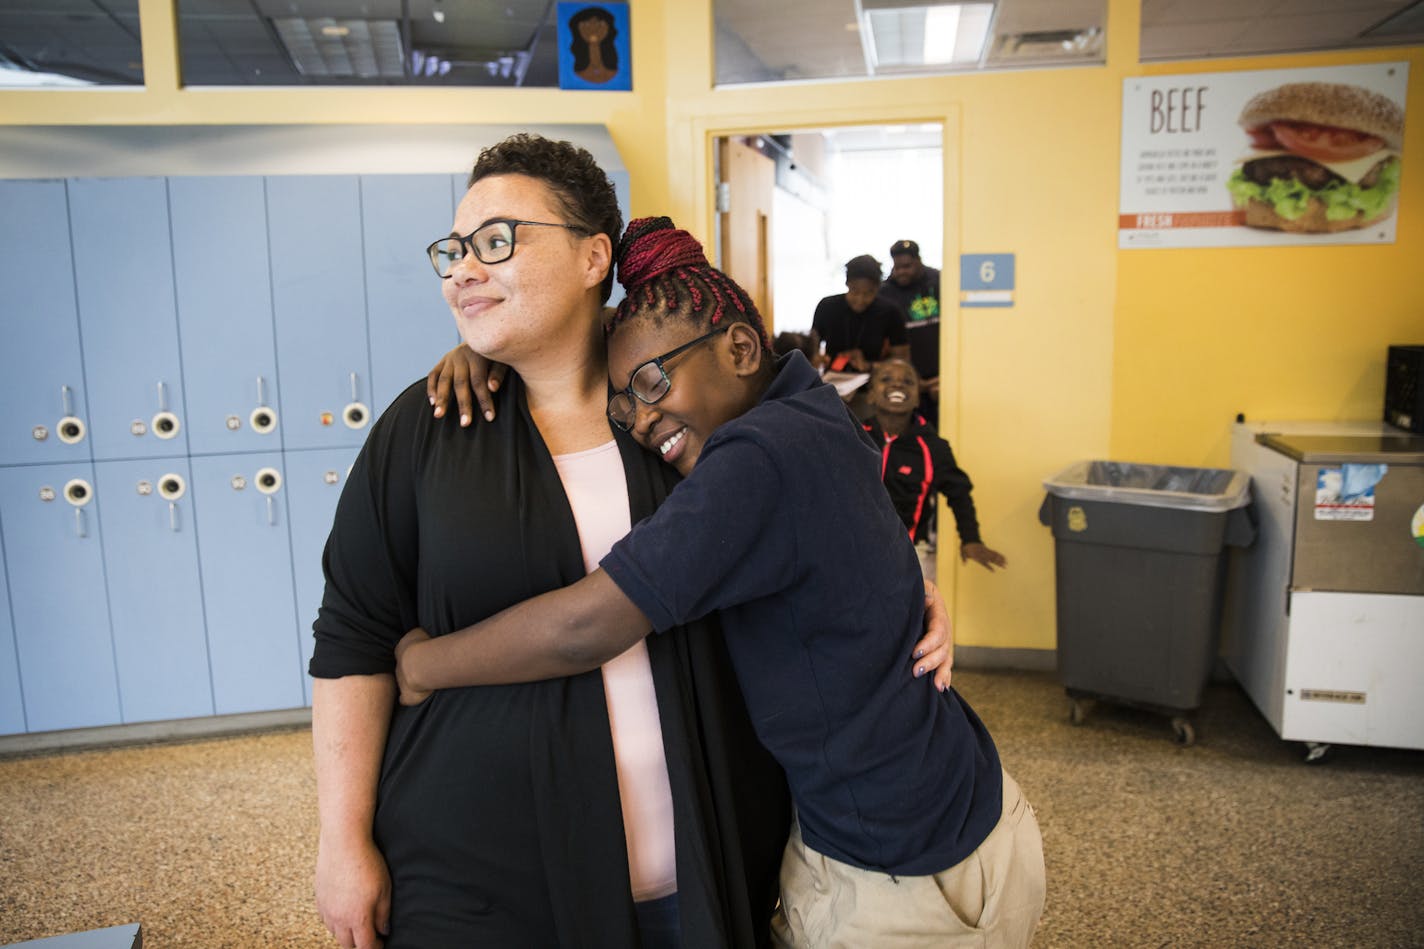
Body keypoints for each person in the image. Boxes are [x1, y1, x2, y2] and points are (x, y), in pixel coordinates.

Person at [311, 135, 950, 949]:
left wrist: (905, 592)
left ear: (592, 256)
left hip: (713, 867)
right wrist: (342, 841)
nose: (461, 269)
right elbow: (354, 636)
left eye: (496, 241)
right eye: (453, 250)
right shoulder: (428, 427)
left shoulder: (688, 414)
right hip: (475, 882)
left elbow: (827, 507)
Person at [396, 217, 1045, 948]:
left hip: (907, 874)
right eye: (622, 402)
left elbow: (590, 623)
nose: (639, 420)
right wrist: (494, 350)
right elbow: (651, 335)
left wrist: (424, 665)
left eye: (649, 384)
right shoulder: (810, 403)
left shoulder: (757, 457)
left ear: (739, 348)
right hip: (961, 804)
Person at [862, 358, 1008, 578]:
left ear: (918, 399)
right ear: (871, 394)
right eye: (886, 379)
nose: (898, 385)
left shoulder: (933, 447)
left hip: (907, 554)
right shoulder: (853, 435)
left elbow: (959, 493)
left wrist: (971, 539)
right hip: (853, 547)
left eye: (908, 382)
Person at [810, 254, 908, 374]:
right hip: (833, 380)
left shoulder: (890, 312)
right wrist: (818, 359)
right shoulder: (827, 307)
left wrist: (869, 366)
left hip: (873, 382)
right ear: (847, 284)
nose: (860, 300)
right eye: (855, 291)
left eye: (868, 293)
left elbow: (902, 363)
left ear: (878, 288)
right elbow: (812, 350)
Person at [877, 239, 942, 423]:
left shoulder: (940, 281)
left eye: (907, 266)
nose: (901, 272)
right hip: (908, 379)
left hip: (941, 375)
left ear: (919, 260)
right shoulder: (885, 291)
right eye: (897, 267)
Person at [569, 6, 619, 84]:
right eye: (586, 25)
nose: (593, 29)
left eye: (600, 25)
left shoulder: (612, 70)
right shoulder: (579, 71)